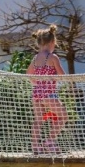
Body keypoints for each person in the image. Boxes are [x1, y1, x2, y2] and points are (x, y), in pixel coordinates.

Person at [26, 24, 68, 154]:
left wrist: (38, 82)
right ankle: (50, 141)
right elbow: (62, 75)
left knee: (38, 120)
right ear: (52, 42)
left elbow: (29, 74)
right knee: (63, 116)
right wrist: (52, 79)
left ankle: (35, 146)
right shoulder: (52, 57)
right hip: (49, 94)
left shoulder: (35, 58)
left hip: (37, 94)